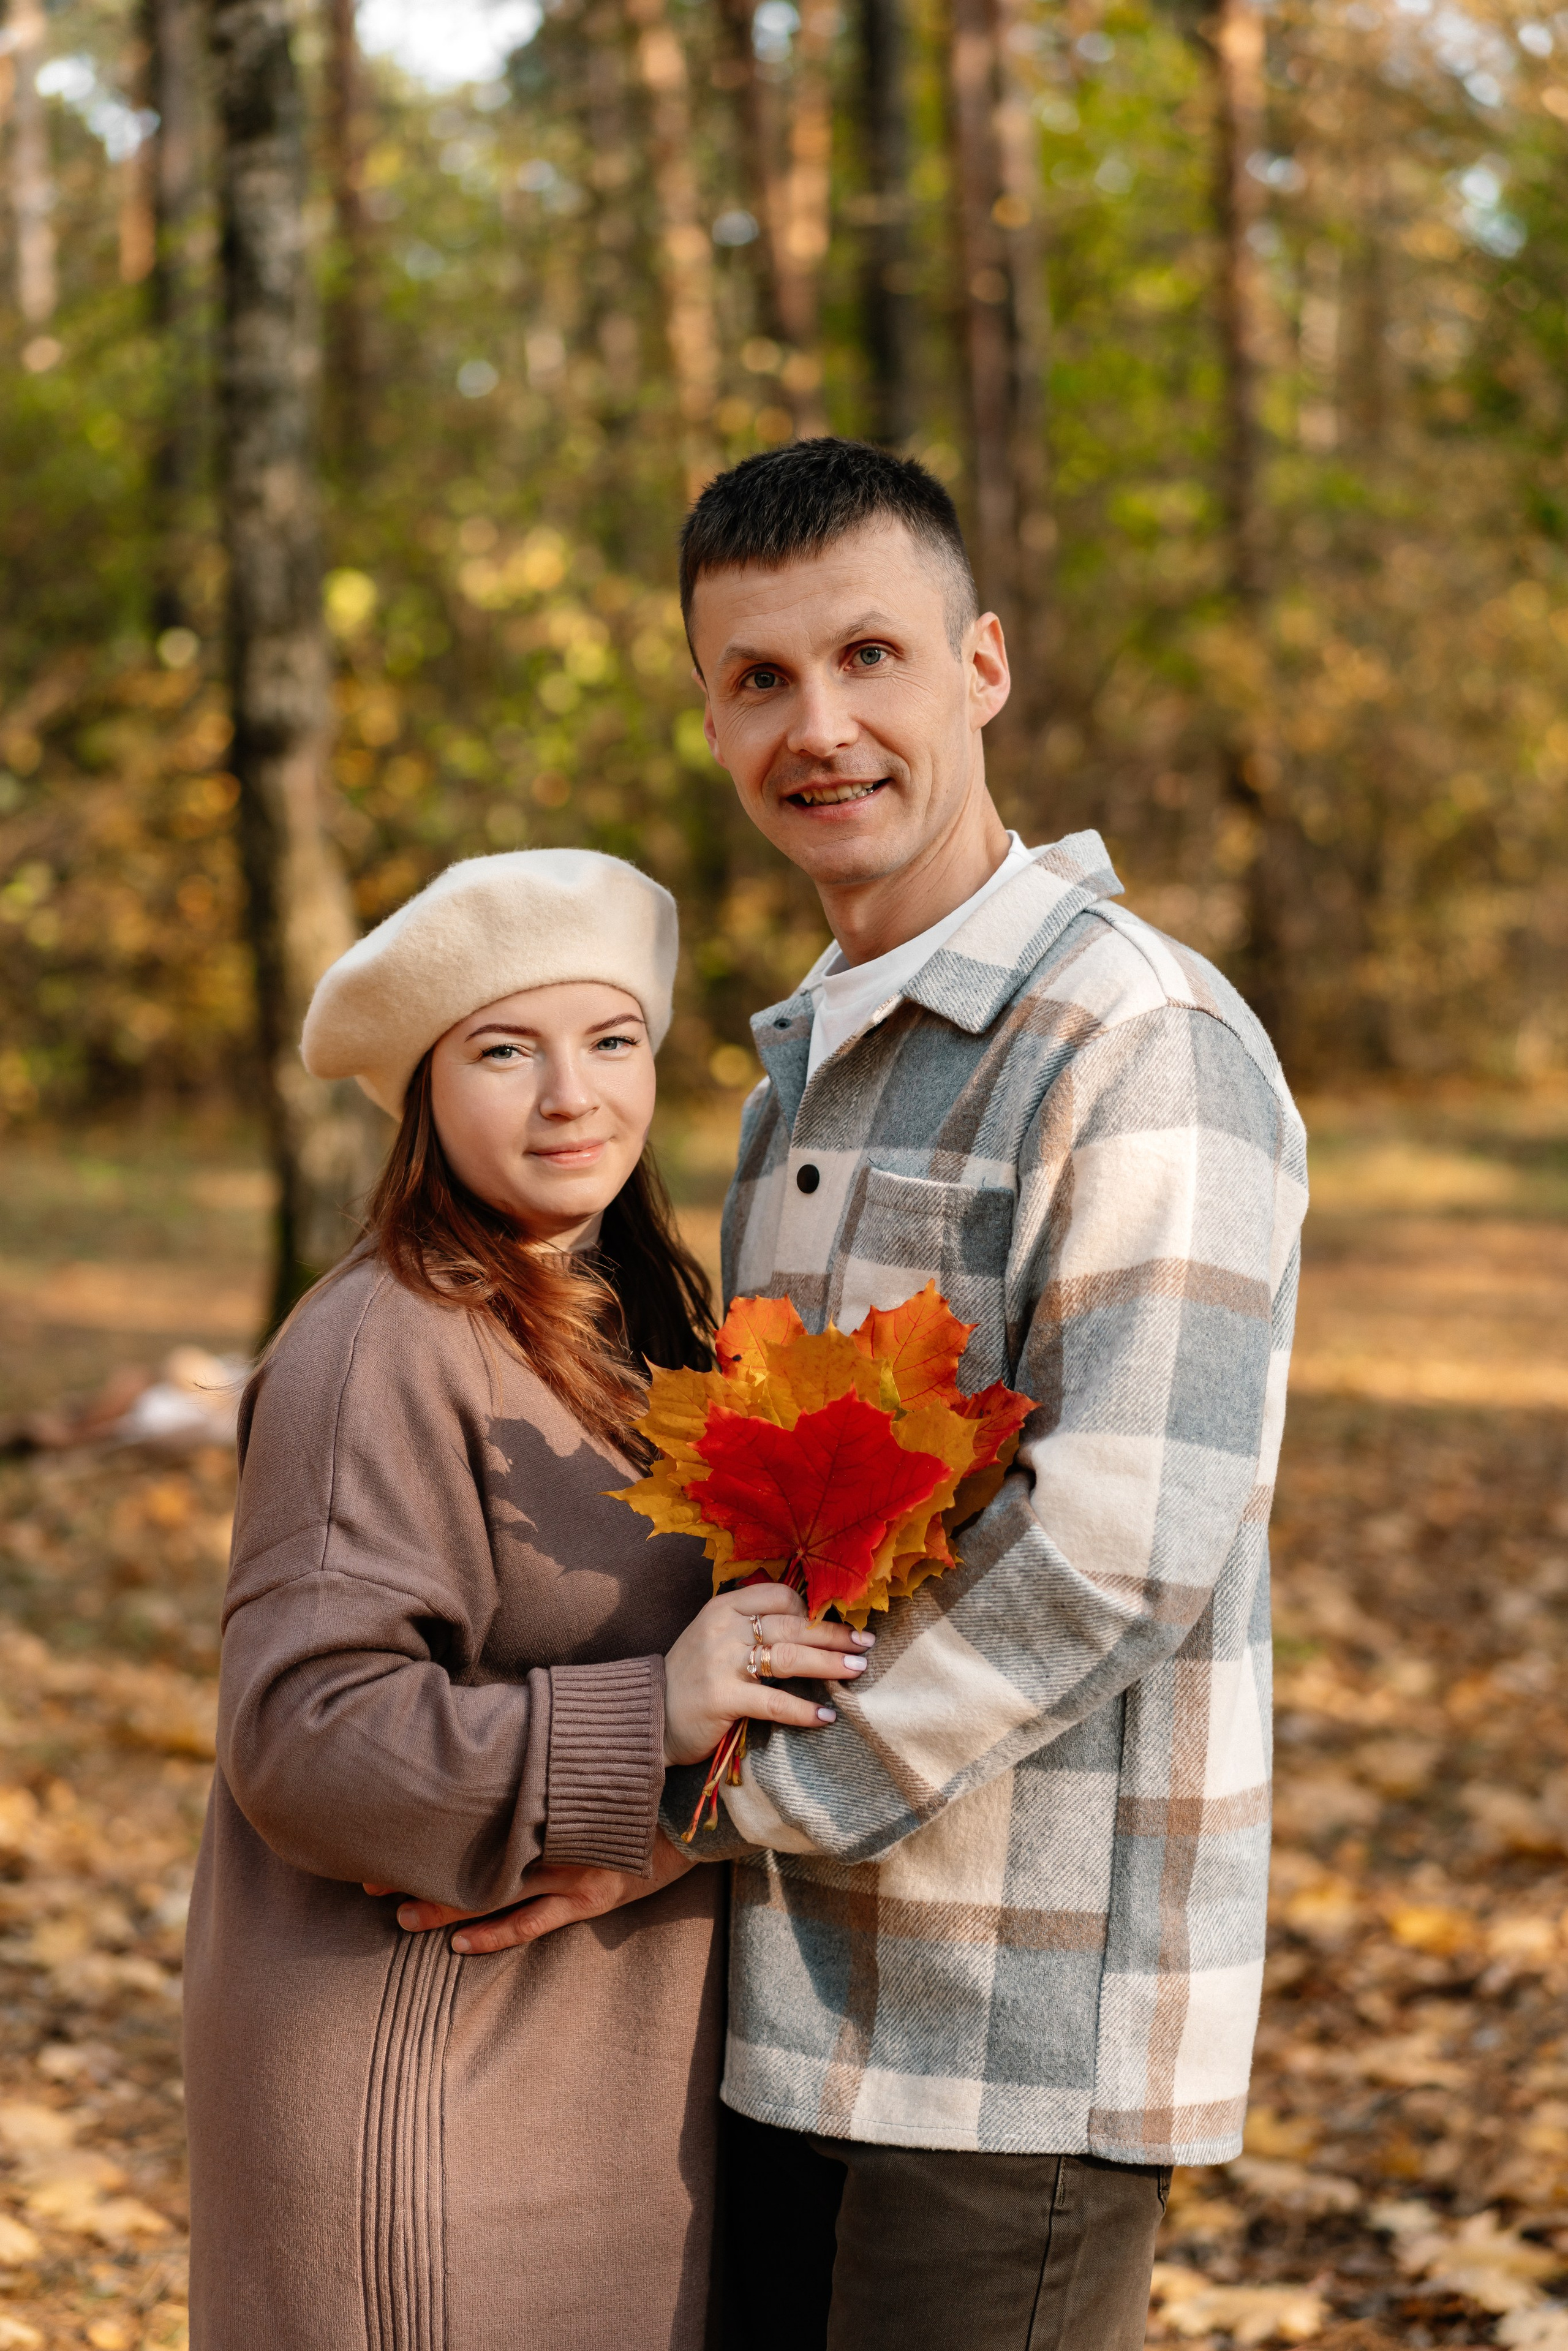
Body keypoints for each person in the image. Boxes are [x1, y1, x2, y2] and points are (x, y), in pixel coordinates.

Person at [399, 444, 1308, 2350]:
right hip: (784, 2011)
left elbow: (1123, 1550)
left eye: (871, 656)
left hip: (1010, 2042)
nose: (821, 726)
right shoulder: (798, 1069)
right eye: (759, 679)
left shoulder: (1141, 1045)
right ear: (712, 712)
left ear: (980, 667)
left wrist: (719, 1810)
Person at [181, 847, 870, 2351]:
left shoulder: (636, 1317)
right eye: (507, 1049)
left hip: (586, 2101)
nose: (573, 1094)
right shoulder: (383, 1343)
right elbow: (303, 1736)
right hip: (431, 2114)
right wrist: (658, 1707)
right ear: (426, 1086)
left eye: (609, 1040)